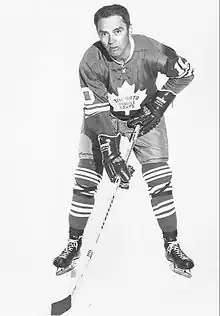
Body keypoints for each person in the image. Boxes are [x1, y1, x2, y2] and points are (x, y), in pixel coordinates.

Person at [53, 4, 195, 277]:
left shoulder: (151, 50)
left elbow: (186, 72)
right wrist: (109, 150)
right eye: (104, 33)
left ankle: (172, 245)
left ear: (130, 29)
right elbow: (95, 110)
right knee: (85, 180)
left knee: (160, 180)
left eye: (117, 31)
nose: (111, 41)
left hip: (145, 118)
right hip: (103, 119)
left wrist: (160, 103)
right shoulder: (91, 60)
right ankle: (73, 243)